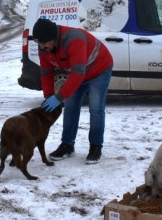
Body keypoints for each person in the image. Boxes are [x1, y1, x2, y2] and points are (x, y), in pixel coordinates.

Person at [32, 17, 114, 164]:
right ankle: (67, 145)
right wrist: (49, 95)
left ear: (53, 37)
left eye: (44, 42)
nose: (42, 46)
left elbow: (78, 73)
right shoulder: (44, 49)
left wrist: (59, 97)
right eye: (39, 43)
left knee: (95, 108)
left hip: (99, 70)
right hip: (77, 72)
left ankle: (96, 147)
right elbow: (46, 73)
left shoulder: (73, 39)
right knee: (70, 107)